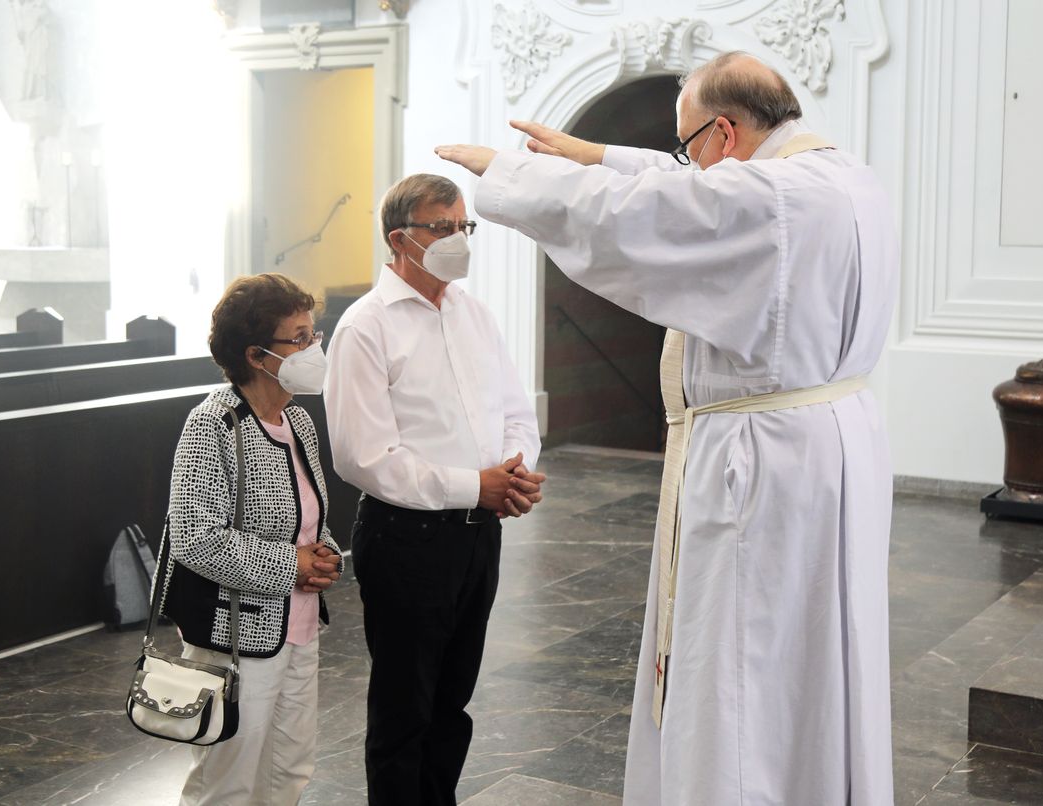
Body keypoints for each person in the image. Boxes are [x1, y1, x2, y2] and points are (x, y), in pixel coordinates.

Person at [435, 52, 898, 805]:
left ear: (725, 130)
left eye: (688, 144)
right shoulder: (840, 177)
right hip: (829, 446)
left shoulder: (773, 197)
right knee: (810, 660)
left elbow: (645, 215)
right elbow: (691, 187)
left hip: (759, 461)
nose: (685, 161)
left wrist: (505, 175)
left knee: (739, 664)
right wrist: (600, 154)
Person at [324, 173, 546, 805]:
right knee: (404, 708)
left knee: (454, 700)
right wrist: (473, 485)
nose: (458, 239)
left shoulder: (474, 313)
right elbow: (364, 457)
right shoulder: (366, 327)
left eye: (463, 226)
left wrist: (515, 469)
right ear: (400, 238)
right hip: (407, 538)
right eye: (441, 228)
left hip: (479, 536)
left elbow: (515, 410)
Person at [157, 272, 345, 805]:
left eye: (315, 335)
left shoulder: (298, 422)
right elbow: (197, 539)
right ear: (258, 355)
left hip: (299, 627)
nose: (315, 348)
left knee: (289, 770)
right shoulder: (212, 424)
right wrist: (294, 564)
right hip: (235, 636)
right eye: (301, 338)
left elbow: (308, 517)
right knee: (229, 780)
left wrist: (326, 553)